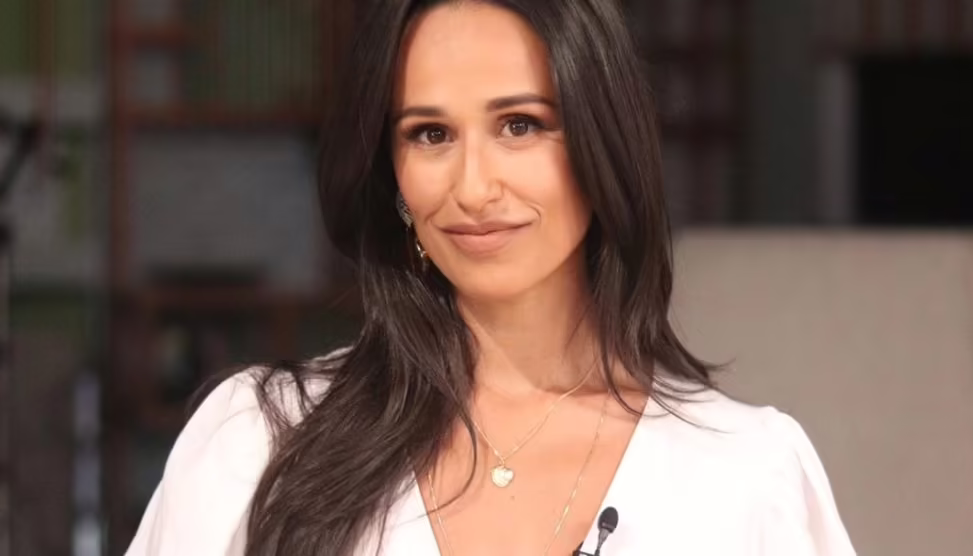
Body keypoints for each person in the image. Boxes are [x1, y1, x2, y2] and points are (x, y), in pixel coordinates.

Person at [127, 0, 857, 554]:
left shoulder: (746, 471)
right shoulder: (261, 439)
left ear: (602, 145)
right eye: (430, 134)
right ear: (393, 176)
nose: (473, 188)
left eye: (520, 125)